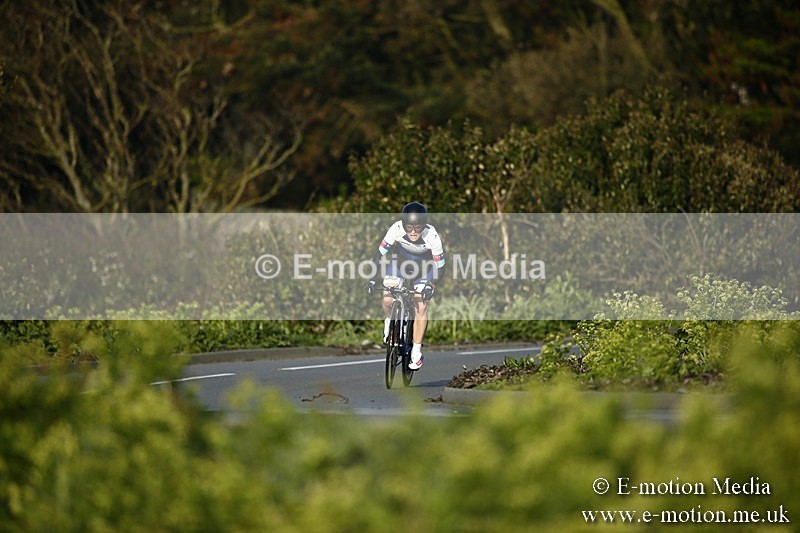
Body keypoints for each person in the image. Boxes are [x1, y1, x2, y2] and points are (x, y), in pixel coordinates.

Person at [367, 202, 445, 369]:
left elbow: (441, 266)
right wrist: (373, 279)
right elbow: (379, 255)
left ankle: (416, 351)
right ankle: (390, 320)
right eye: (409, 227)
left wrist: (432, 284)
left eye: (418, 227)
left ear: (424, 225)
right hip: (399, 265)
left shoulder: (432, 235)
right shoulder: (396, 229)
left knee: (421, 305)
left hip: (425, 269)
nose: (413, 231)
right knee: (388, 297)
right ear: (403, 224)